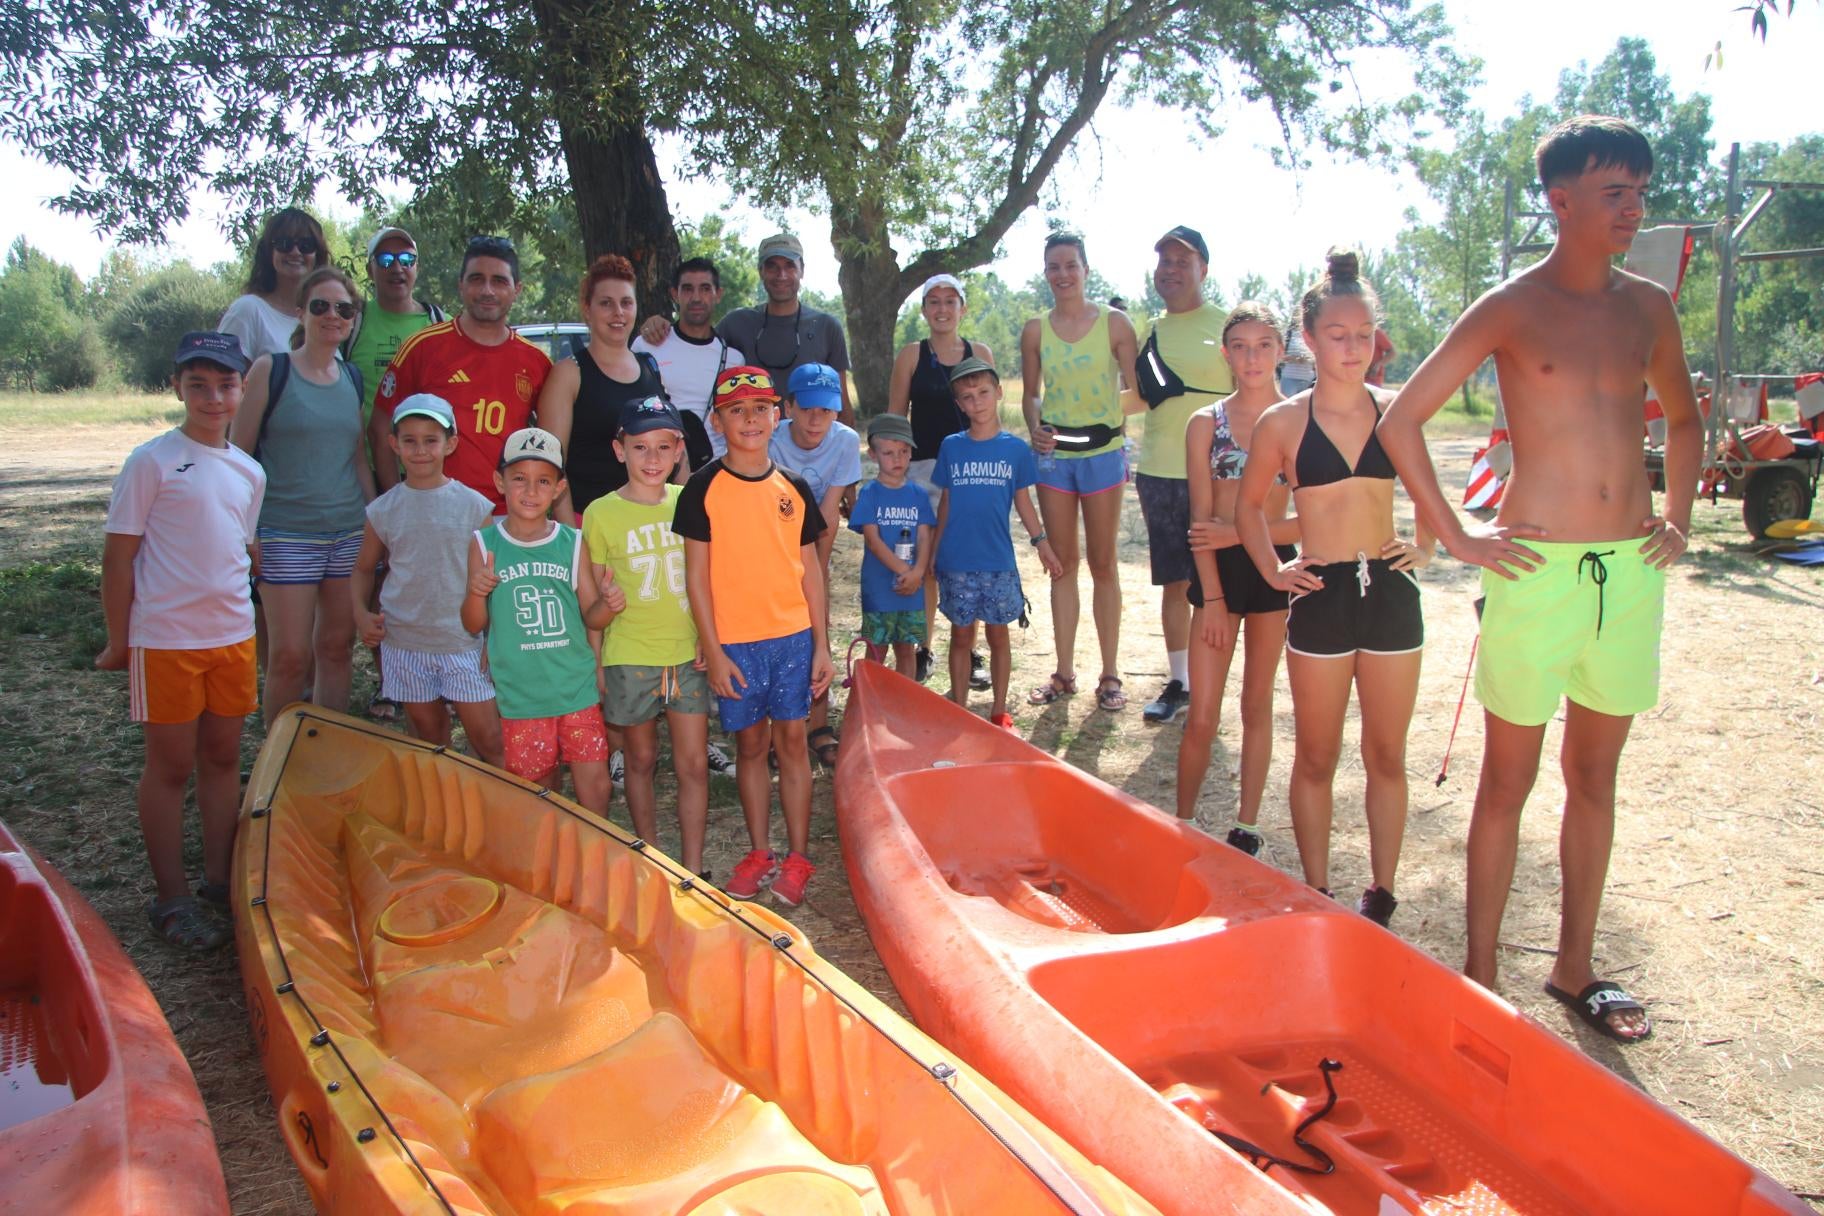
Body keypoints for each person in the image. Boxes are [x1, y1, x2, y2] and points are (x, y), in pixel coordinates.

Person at [1378, 116, 1700, 1042]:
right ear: (1561, 202)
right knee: (1507, 782)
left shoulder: (1650, 308)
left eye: (1640, 189)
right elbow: (1405, 423)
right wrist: (1460, 534)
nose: (1634, 206)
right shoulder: (1511, 306)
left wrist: (1676, 513)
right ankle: (1480, 976)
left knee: (1595, 773)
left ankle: (1574, 966)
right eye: (1615, 192)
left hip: (1629, 571)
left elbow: (1680, 419)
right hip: (1533, 568)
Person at [1235, 249, 1433, 929]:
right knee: (1316, 755)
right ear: (1310, 339)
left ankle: (1381, 893)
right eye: (1338, 335)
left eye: (1364, 334)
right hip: (1320, 593)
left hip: (1390, 596)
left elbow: (1429, 495)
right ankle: (1316, 890)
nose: (1354, 348)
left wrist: (1427, 543)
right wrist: (1273, 569)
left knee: (1386, 753)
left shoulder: (1397, 411)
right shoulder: (1283, 422)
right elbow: (1248, 509)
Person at [97, 332, 264, 951]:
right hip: (167, 640)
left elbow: (242, 549)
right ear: (178, 387)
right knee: (170, 767)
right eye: (199, 384)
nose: (214, 397)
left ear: (243, 389)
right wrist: (121, 640)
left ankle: (219, 881)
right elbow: (119, 560)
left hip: (233, 637)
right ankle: (169, 899)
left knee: (222, 758)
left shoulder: (250, 471)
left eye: (226, 385)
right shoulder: (152, 462)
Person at [674, 367, 834, 907]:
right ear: (717, 420)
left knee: (793, 744)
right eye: (736, 411)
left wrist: (822, 644)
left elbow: (811, 571)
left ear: (776, 415)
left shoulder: (795, 487)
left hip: (791, 639)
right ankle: (760, 850)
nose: (750, 420)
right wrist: (714, 648)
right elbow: (697, 576)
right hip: (737, 646)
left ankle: (797, 854)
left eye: (760, 409)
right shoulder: (701, 487)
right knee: (750, 746)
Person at [230, 266, 373, 725]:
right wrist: (245, 533)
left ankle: (327, 748)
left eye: (343, 308)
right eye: (320, 306)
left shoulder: (352, 379)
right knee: (289, 657)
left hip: (347, 533)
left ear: (352, 320)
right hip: (286, 534)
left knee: (335, 647)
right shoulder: (271, 370)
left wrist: (376, 524)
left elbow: (356, 460)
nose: (332, 315)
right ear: (300, 312)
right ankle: (280, 759)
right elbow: (238, 460)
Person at [1179, 302, 1299, 848]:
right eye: (1242, 347)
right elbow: (1201, 523)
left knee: (1257, 702)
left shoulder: (1299, 418)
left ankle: (1246, 825)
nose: (1253, 358)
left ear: (1282, 351)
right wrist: (1214, 600)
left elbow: (1307, 522)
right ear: (1226, 354)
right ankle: (1179, 822)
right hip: (1218, 579)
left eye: (1264, 345)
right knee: (1202, 712)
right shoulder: (1206, 423)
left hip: (1272, 572)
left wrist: (1239, 533)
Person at [582, 396, 714, 876]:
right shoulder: (600, 513)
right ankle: (651, 859)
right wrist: (596, 662)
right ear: (620, 451)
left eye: (663, 447)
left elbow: (709, 578)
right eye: (640, 448)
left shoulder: (691, 501)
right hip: (630, 655)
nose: (652, 459)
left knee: (694, 764)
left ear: (680, 450)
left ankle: (694, 868)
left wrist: (709, 635)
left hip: (687, 655)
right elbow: (595, 599)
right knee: (639, 759)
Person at [461, 427, 618, 813]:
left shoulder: (572, 541)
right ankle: (548, 858)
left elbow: (591, 615)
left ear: (559, 488)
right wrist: (476, 592)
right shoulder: (484, 544)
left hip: (574, 685)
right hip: (521, 694)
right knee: (537, 791)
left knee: (594, 785)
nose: (531, 492)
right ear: (500, 482)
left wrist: (609, 605)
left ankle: (594, 853)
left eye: (543, 481)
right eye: (519, 479)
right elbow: (472, 624)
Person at [349, 394, 503, 766]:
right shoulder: (384, 509)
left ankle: (506, 811)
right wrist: (359, 614)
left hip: (462, 641)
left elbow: (489, 577)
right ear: (393, 444)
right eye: (410, 441)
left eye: (431, 440)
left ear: (450, 443)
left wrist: (492, 637)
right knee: (431, 741)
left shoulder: (474, 506)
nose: (420, 451)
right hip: (406, 643)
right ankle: (444, 814)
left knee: (490, 740)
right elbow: (363, 568)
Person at [1020, 233, 1139, 711]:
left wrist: (1111, 419)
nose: (1062, 274)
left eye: (1071, 265)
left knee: (1104, 564)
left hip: (1104, 454)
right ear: (1045, 272)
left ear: (1086, 270)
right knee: (1061, 566)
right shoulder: (1035, 330)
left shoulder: (1115, 324)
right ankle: (1064, 672)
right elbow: (1031, 394)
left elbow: (1136, 387)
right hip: (1055, 459)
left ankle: (1110, 674)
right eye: (1053, 266)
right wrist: (1034, 427)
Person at [342, 224, 448, 723]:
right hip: (370, 467)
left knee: (427, 575)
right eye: (384, 260)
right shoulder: (355, 322)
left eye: (405, 257)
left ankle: (440, 671)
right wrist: (386, 483)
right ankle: (390, 680)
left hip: (430, 468)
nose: (396, 268)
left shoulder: (435, 322)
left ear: (417, 267)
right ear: (369, 270)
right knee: (382, 574)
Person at [1130, 226, 1235, 724]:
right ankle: (1180, 683)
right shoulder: (1149, 331)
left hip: (1217, 476)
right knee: (1175, 583)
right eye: (1164, 261)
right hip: (1159, 472)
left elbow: (1257, 396)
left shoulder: (1230, 326)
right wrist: (1067, 425)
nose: (1170, 270)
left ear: (1203, 269)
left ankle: (1211, 682)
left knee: (1216, 584)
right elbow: (1134, 398)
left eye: (1182, 261)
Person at [372, 235, 552, 512]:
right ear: (461, 285)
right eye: (477, 279)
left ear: (517, 289)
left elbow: (551, 440)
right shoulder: (423, 347)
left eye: (499, 281)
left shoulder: (536, 361)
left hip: (509, 517)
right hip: (433, 511)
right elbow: (381, 423)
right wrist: (395, 501)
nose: (487, 290)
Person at [934, 357, 1063, 728]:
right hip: (956, 559)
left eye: (983, 393)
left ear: (999, 393)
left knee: (998, 636)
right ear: (959, 404)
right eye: (968, 397)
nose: (977, 403)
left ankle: (998, 709)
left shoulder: (1016, 450)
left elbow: (1023, 500)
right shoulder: (951, 447)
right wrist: (934, 550)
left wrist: (1042, 542)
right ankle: (958, 707)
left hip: (998, 561)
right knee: (961, 636)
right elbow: (946, 501)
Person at [886, 273, 994, 689]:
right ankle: (924, 649)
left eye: (951, 301)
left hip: (972, 470)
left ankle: (971, 650)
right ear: (924, 310)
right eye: (934, 301)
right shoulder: (912, 355)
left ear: (962, 308)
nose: (942, 308)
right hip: (924, 469)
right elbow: (896, 419)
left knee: (969, 564)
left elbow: (987, 413)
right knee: (925, 564)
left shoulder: (978, 352)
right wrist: (893, 473)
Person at [639, 233, 855, 430]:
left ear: (802, 270)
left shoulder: (826, 326)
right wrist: (657, 323)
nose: (781, 275)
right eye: (772, 266)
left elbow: (842, 401)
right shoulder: (737, 323)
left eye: (789, 265)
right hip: (751, 445)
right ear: (761, 271)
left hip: (811, 447)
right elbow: (699, 342)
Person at [768, 362, 861, 767]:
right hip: (774, 537)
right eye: (806, 409)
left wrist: (815, 578)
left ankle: (818, 724)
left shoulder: (844, 441)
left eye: (825, 410)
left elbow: (828, 510)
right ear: (788, 406)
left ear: (837, 411)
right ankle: (779, 730)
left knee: (816, 627)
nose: (815, 419)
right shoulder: (770, 440)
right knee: (777, 633)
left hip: (817, 533)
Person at [538, 254, 669, 524]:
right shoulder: (568, 374)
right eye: (606, 303)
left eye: (626, 302)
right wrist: (570, 538)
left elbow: (674, 445)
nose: (618, 312)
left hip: (650, 526)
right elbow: (552, 463)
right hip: (590, 523)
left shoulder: (649, 367)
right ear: (587, 309)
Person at [632, 256, 747, 471]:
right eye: (687, 289)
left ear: (718, 294)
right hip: (658, 471)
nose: (696, 298)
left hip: (715, 472)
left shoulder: (733, 359)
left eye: (705, 289)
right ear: (674, 293)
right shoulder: (647, 345)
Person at [849, 413, 935, 677]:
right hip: (880, 588)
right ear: (873, 455)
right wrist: (905, 571)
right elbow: (873, 541)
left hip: (911, 589)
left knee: (906, 649)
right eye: (888, 453)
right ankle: (871, 707)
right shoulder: (869, 493)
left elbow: (924, 536)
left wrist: (918, 572)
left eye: (904, 451)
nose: (897, 459)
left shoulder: (918, 494)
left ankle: (904, 705)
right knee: (877, 650)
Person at [219, 208, 329, 360]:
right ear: (269, 252)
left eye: (306, 245)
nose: (295, 252)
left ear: (318, 254)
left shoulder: (329, 317)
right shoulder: (248, 310)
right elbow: (223, 378)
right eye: (285, 243)